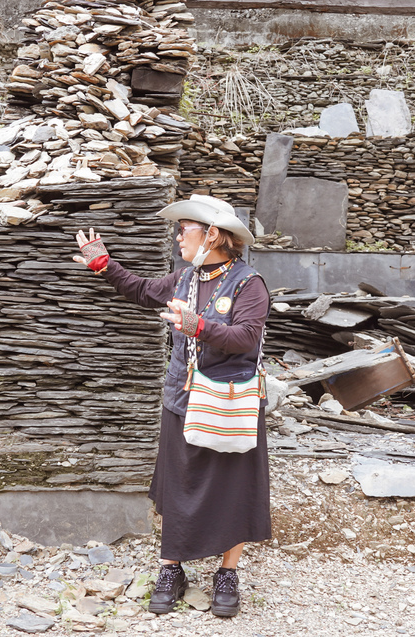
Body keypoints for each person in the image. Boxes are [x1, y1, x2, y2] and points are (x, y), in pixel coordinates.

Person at [72, 194, 271, 618]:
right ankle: (171, 569)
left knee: (231, 487)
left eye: (186, 229)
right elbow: (143, 291)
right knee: (178, 484)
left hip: (230, 402)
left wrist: (197, 325)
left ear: (213, 234)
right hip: (183, 399)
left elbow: (246, 338)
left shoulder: (248, 283)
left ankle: (227, 573)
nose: (179, 235)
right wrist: (104, 265)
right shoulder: (185, 279)